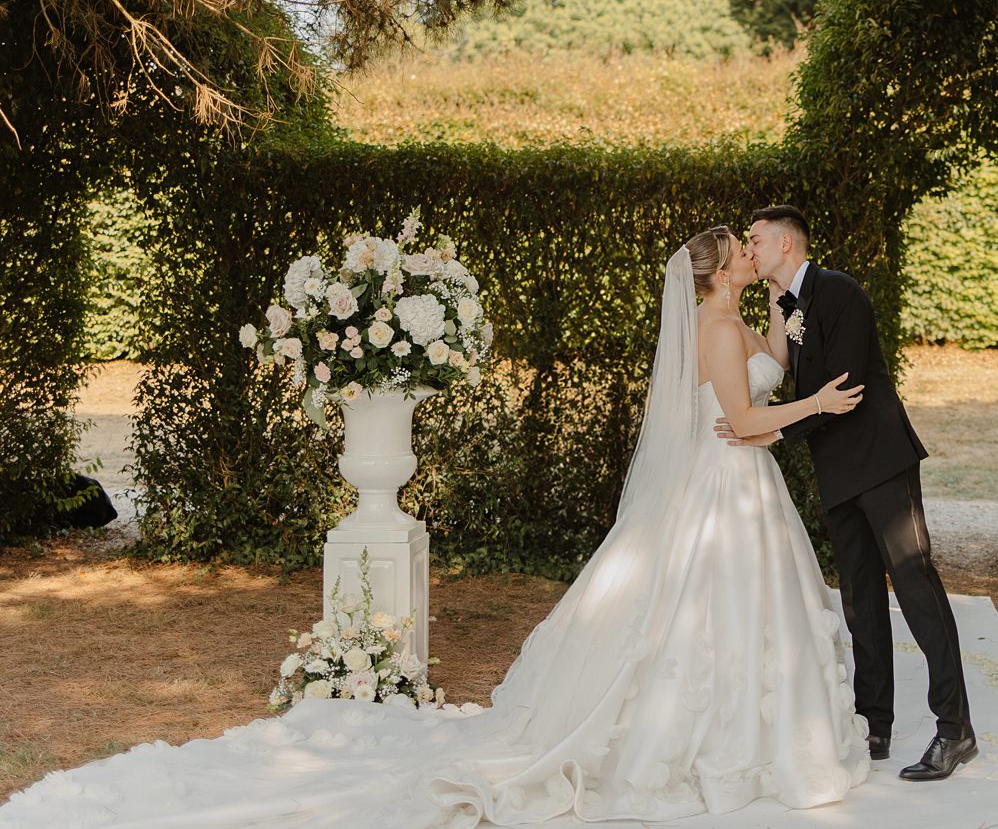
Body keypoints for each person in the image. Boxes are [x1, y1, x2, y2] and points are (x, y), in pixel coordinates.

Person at [0, 229, 872, 828]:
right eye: (741, 251)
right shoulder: (717, 328)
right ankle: (724, 741)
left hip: (743, 492)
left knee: (739, 616)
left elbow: (758, 379)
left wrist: (785, 345)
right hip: (732, 486)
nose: (753, 255)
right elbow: (746, 421)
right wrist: (819, 402)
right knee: (717, 617)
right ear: (720, 274)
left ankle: (750, 727)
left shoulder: (730, 318)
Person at [723, 204, 976, 781]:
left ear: (787, 244)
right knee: (861, 599)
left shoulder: (841, 292)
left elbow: (844, 389)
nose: (750, 248)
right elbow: (784, 373)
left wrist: (772, 433)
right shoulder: (786, 304)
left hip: (881, 463)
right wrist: (771, 315)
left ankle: (955, 729)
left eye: (757, 240)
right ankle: (874, 722)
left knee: (916, 588)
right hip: (836, 471)